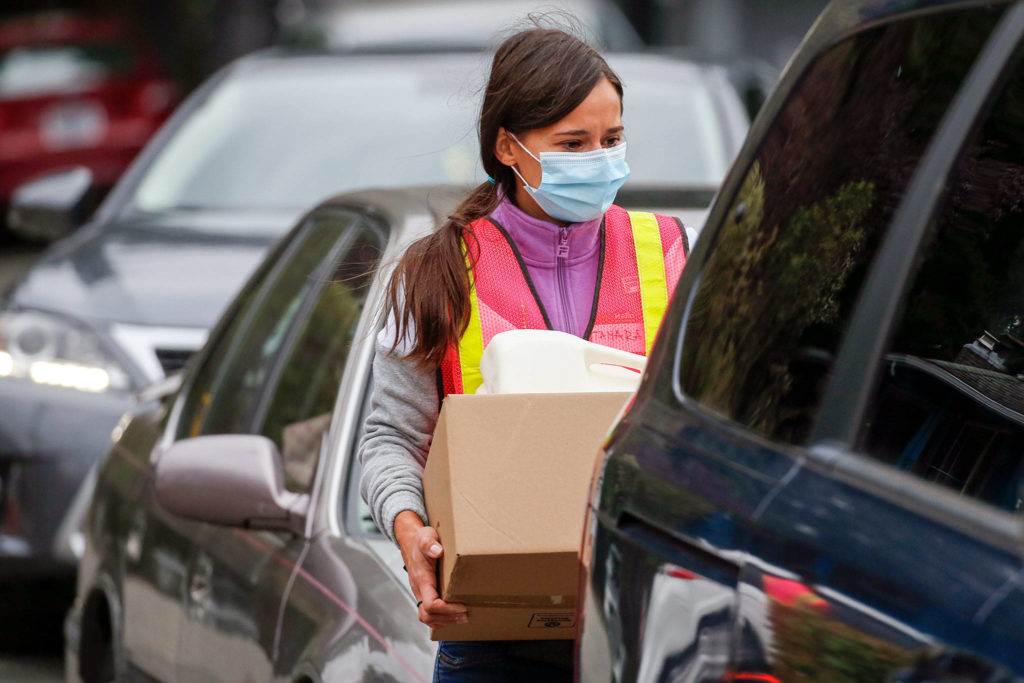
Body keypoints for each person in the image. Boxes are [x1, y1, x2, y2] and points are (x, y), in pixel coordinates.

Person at [358, 25, 689, 682]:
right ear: (508, 146)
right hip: (496, 638)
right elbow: (388, 438)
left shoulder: (673, 251)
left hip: (648, 629)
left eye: (612, 139)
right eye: (573, 144)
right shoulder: (438, 273)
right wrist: (410, 530)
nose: (600, 159)